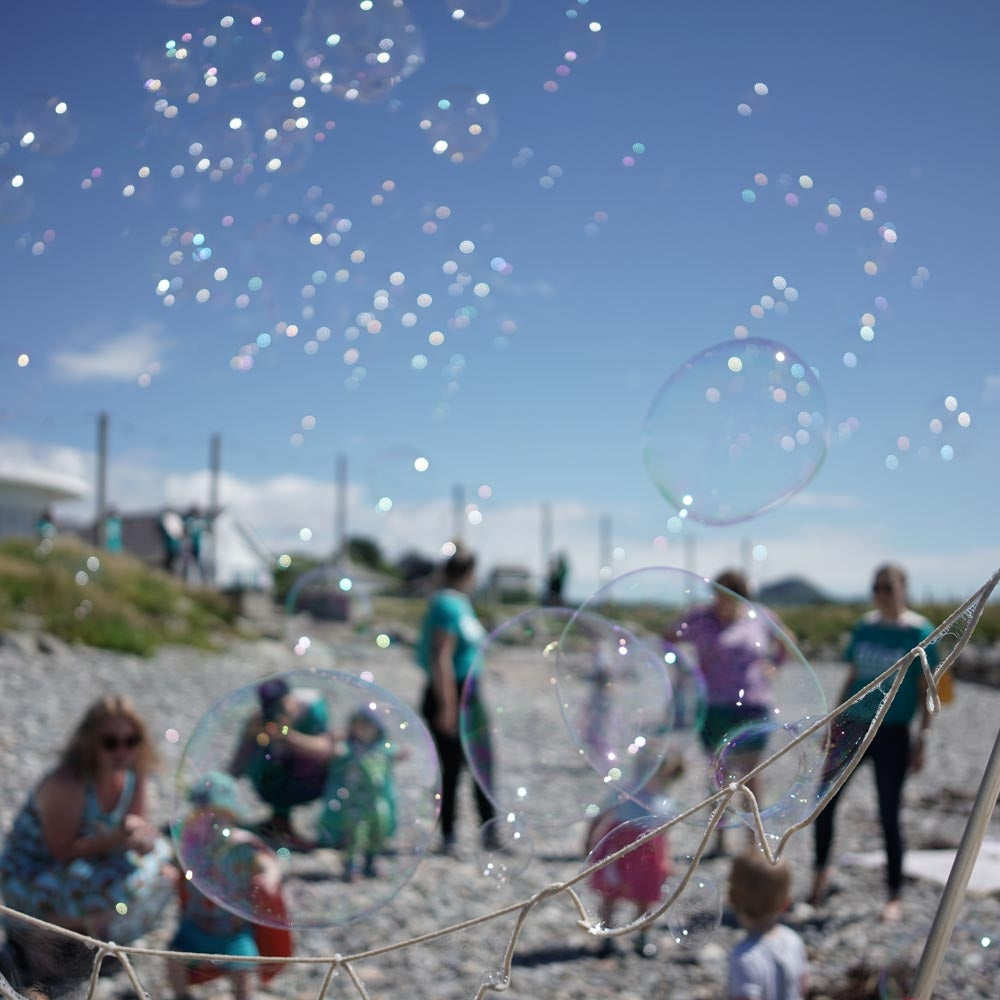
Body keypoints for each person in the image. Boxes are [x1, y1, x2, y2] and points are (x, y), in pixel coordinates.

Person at [810, 563, 938, 923]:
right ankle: (819, 878)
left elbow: (926, 689)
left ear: (903, 589)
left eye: (887, 587)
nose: (881, 594)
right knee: (825, 802)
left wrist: (923, 738)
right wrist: (832, 722)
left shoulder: (920, 631)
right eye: (876, 587)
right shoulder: (865, 627)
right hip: (853, 725)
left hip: (893, 731)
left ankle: (894, 893)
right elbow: (852, 677)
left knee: (888, 812)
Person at [0, 695, 175, 945]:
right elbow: (60, 851)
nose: (122, 751)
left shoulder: (135, 774)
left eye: (131, 741)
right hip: (34, 871)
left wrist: (141, 837)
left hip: (86, 864)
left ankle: (87, 924)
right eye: (110, 742)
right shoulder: (69, 783)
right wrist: (118, 837)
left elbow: (135, 825)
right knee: (132, 884)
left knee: (163, 863)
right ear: (90, 742)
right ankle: (59, 928)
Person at [666, 569, 789, 854]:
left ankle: (751, 842)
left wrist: (775, 665)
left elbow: (785, 641)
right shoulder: (699, 618)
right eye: (719, 595)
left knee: (750, 776)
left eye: (730, 596)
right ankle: (719, 839)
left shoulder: (761, 616)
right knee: (718, 774)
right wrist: (683, 670)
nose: (722, 602)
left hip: (752, 705)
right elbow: (667, 637)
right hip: (713, 706)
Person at [168, 771, 288, 1000]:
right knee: (175, 957)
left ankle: (244, 996)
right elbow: (175, 866)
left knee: (244, 967)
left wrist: (269, 877)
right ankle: (181, 995)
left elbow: (267, 861)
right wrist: (168, 873)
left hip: (233, 929)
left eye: (217, 818)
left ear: (231, 817)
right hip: (196, 925)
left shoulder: (241, 845)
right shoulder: (190, 847)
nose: (210, 823)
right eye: (203, 817)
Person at [415, 545, 496, 855]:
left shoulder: (460, 605)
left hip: (469, 694)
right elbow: (440, 656)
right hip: (452, 694)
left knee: (482, 763)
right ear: (469, 573)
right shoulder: (447, 606)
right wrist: (448, 705)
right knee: (453, 767)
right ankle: (449, 835)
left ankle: (488, 830)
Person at [584, 750, 685, 959]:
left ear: (666, 774)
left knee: (646, 897)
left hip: (649, 855)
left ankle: (642, 937)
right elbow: (599, 816)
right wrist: (588, 843)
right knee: (610, 895)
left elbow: (663, 836)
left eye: (656, 770)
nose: (648, 774)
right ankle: (606, 935)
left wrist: (667, 860)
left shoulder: (664, 801)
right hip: (619, 851)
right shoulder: (624, 791)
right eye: (644, 767)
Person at [229, 678, 330, 848]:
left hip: (309, 777)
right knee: (264, 754)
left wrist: (288, 736)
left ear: (291, 697)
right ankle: (278, 819)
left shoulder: (311, 707)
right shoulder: (261, 720)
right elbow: (238, 765)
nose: (277, 712)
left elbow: (326, 749)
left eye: (281, 706)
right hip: (276, 774)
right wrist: (252, 735)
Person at [317, 706, 400, 881]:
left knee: (378, 832)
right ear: (352, 728)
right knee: (356, 834)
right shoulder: (350, 748)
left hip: (377, 803)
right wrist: (334, 741)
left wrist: (402, 753)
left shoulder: (381, 749)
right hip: (355, 803)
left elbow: (395, 753)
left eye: (368, 726)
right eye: (359, 726)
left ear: (377, 729)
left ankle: (371, 862)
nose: (364, 730)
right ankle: (352, 866)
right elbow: (337, 752)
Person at [726, 849, 809, 1000]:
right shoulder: (794, 940)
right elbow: (803, 987)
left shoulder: (744, 958)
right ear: (785, 904)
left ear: (732, 900)